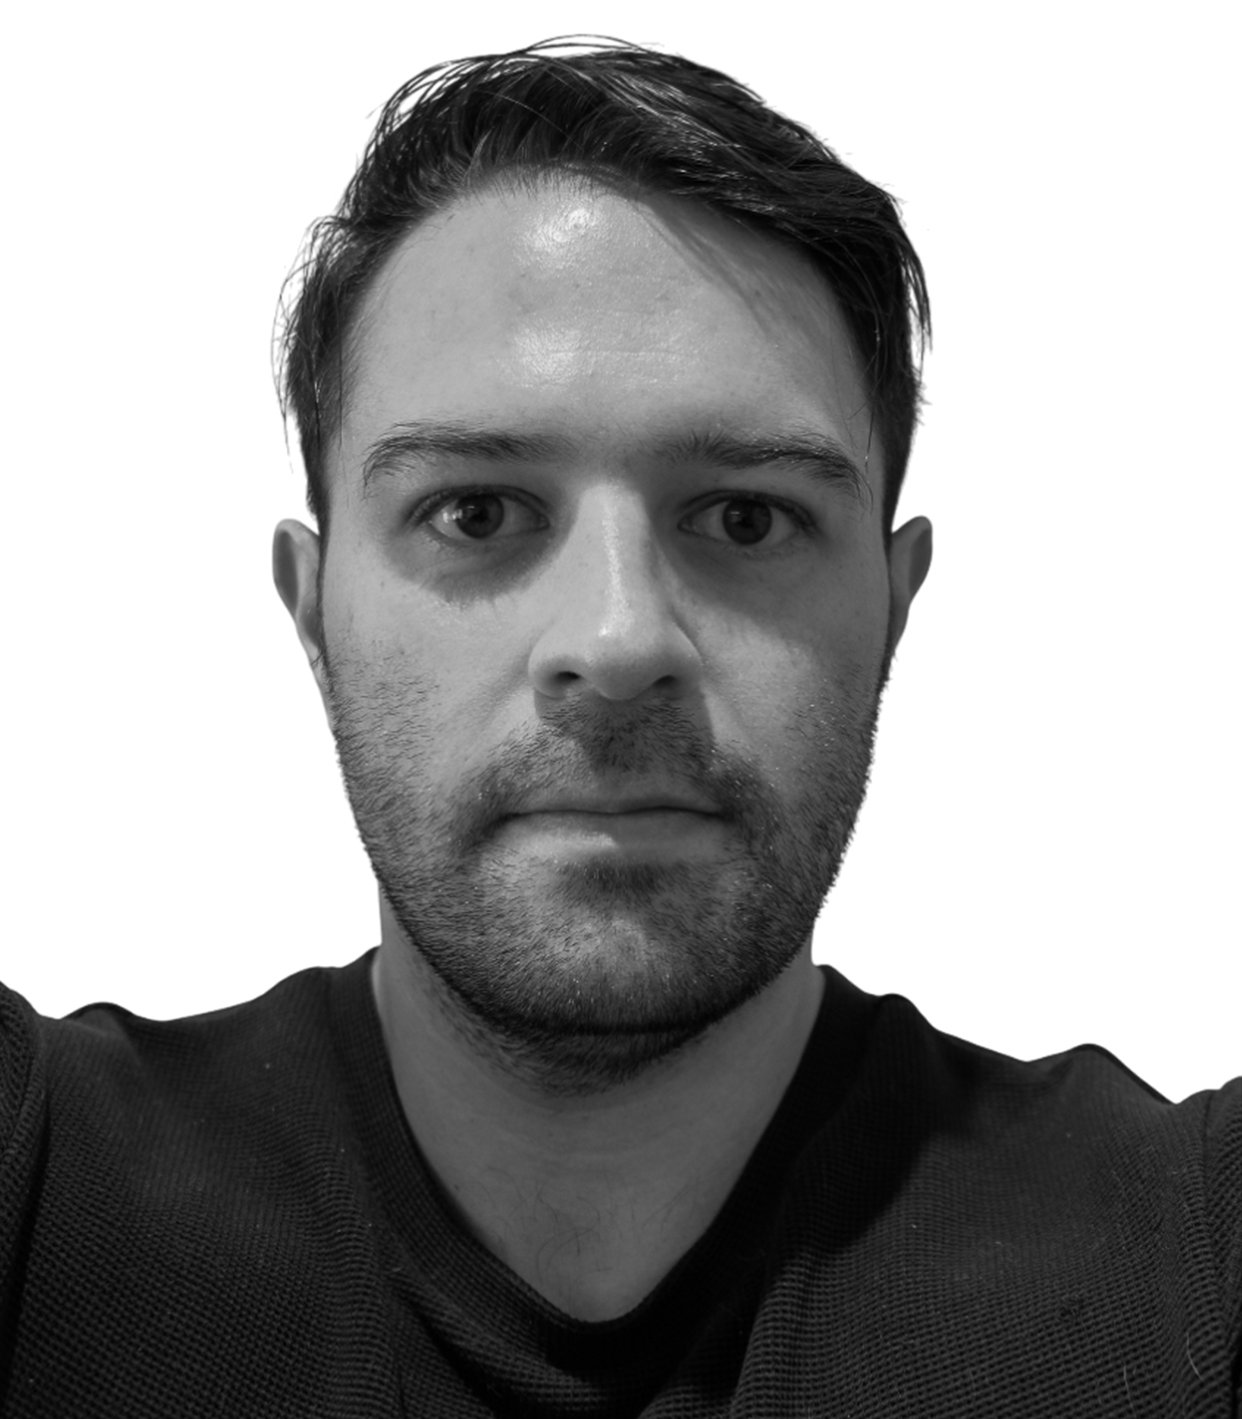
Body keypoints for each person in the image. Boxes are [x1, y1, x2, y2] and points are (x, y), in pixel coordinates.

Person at [0, 37, 1236, 1418]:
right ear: (312, 605)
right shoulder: (42, 1192)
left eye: (745, 516)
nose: (615, 639)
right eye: (475, 510)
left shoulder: (1183, 1268)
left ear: (890, 610)